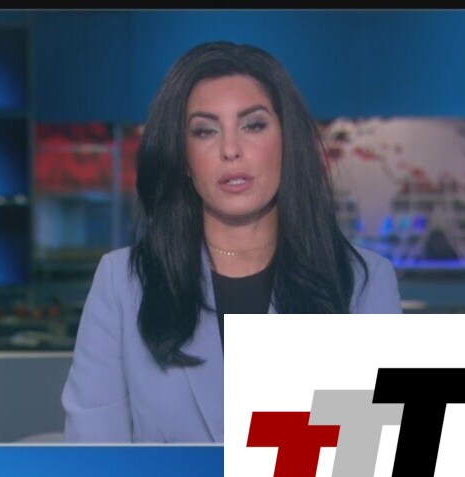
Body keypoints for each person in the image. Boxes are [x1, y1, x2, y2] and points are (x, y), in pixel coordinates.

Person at [62, 42, 401, 444]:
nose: (230, 150)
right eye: (205, 131)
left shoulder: (363, 282)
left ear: (287, 140)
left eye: (253, 125)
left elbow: (374, 462)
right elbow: (95, 459)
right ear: (183, 159)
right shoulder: (122, 283)